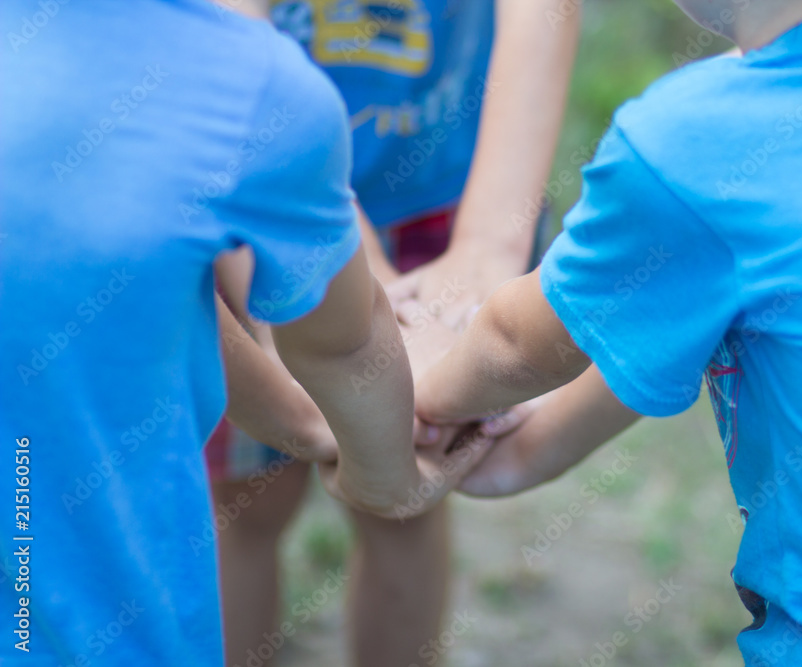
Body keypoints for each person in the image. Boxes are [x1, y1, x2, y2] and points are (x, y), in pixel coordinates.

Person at [416, 0, 802, 664]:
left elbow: (516, 346)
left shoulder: (697, 142)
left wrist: (421, 403)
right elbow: (673, 309)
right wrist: (525, 451)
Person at [0, 0, 479, 662]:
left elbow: (152, 295)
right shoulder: (251, 87)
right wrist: (384, 470)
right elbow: (343, 343)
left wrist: (309, 428)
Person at [206, 1, 580, 665]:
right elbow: (227, 29)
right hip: (251, 172)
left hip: (438, 196)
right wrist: (350, 268)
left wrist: (489, 249)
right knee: (241, 503)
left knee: (405, 501)